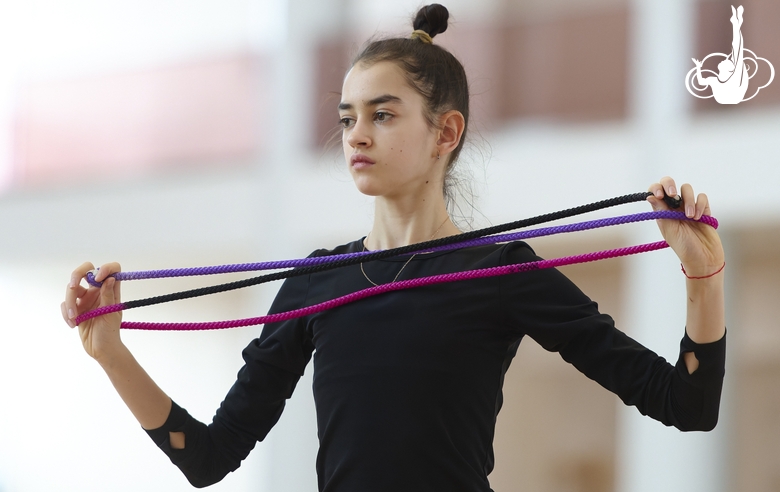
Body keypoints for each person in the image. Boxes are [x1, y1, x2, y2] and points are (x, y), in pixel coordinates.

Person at [62, 4, 726, 491]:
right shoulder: (317, 281)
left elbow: (686, 406)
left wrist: (705, 279)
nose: (356, 134)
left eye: (382, 114)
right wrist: (111, 352)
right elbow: (208, 457)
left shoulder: (500, 270)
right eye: (348, 117)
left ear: (446, 131)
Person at [693, 5, 749, 104]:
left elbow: (737, 49)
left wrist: (736, 26)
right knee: (736, 50)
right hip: (725, 102)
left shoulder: (733, 79)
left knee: (737, 50)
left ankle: (736, 23)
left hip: (731, 100)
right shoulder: (715, 80)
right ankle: (736, 23)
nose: (725, 59)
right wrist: (698, 67)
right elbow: (701, 81)